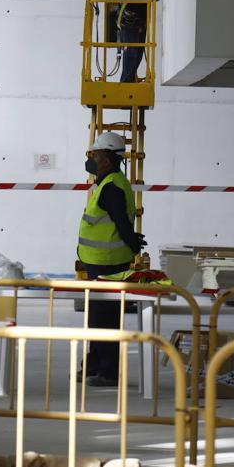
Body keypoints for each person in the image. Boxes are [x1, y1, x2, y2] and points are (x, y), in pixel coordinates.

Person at [77, 131, 147, 386]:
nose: (92, 159)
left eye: (95, 155)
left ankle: (106, 371)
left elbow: (119, 220)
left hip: (107, 261)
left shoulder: (112, 186)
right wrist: (132, 242)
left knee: (103, 318)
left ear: (106, 158)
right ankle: (93, 366)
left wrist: (132, 243)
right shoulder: (107, 182)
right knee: (96, 317)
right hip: (100, 260)